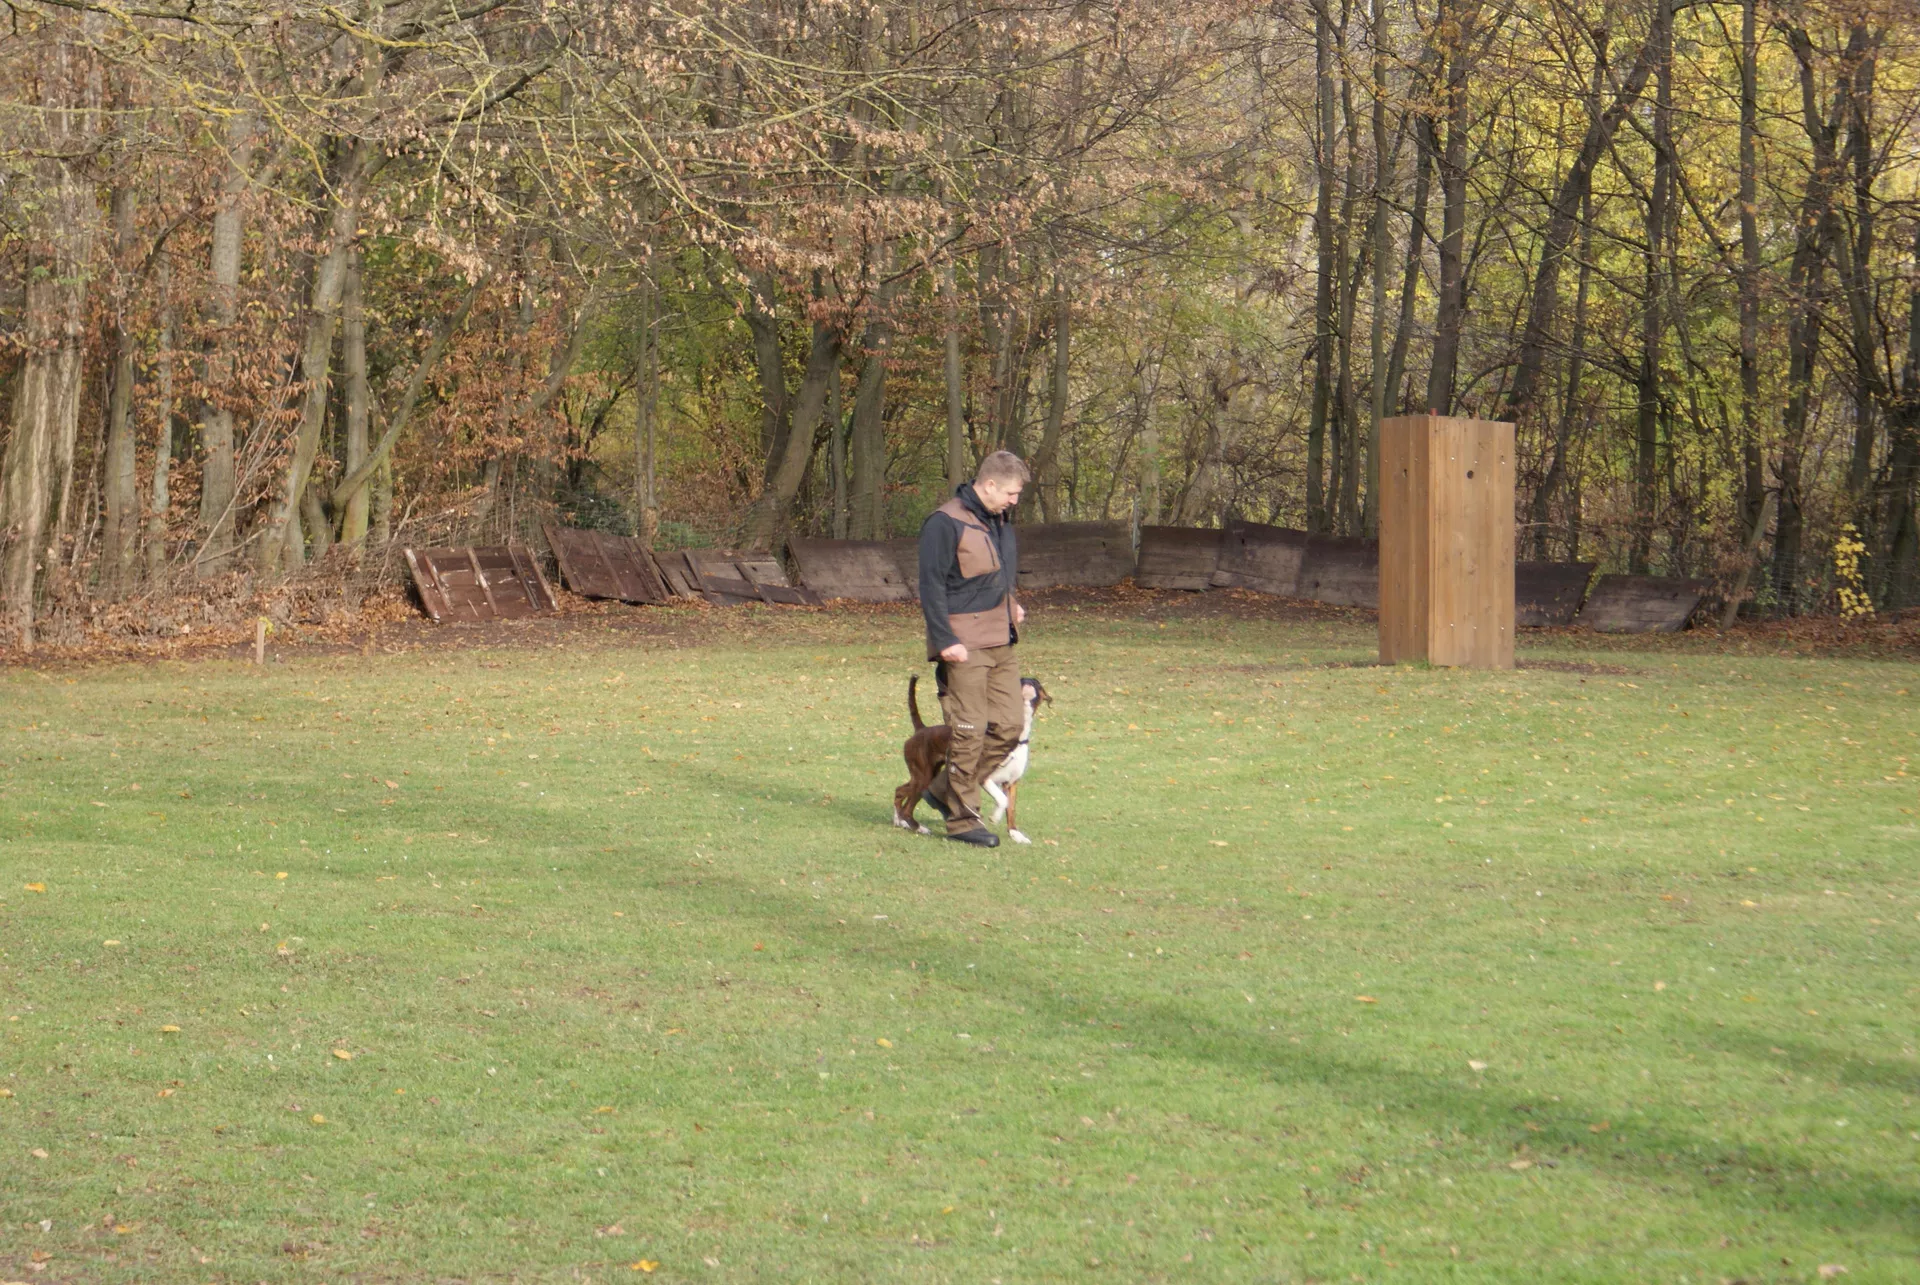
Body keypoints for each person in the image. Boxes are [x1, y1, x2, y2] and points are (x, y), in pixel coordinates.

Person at [917, 450, 1030, 847]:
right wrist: (944, 639)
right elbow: (930, 584)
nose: (1015, 500)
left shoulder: (999, 520)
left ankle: (943, 789)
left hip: (1002, 638)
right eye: (1011, 493)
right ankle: (963, 820)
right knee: (970, 730)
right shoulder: (944, 522)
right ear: (990, 485)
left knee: (1010, 725)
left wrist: (1011, 603)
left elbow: (996, 575)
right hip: (963, 641)